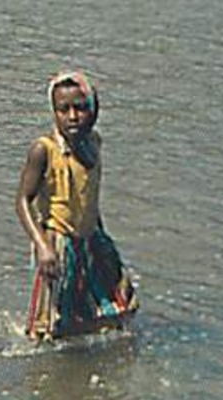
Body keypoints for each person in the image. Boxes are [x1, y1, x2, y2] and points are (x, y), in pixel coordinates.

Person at [15, 71, 137, 341]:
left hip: (90, 236)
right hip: (57, 242)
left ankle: (82, 357)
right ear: (54, 112)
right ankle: (54, 372)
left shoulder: (93, 143)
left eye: (80, 108)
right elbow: (22, 200)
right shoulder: (43, 150)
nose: (72, 116)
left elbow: (89, 197)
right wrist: (42, 246)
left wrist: (103, 241)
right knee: (48, 328)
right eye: (63, 109)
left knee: (120, 305)